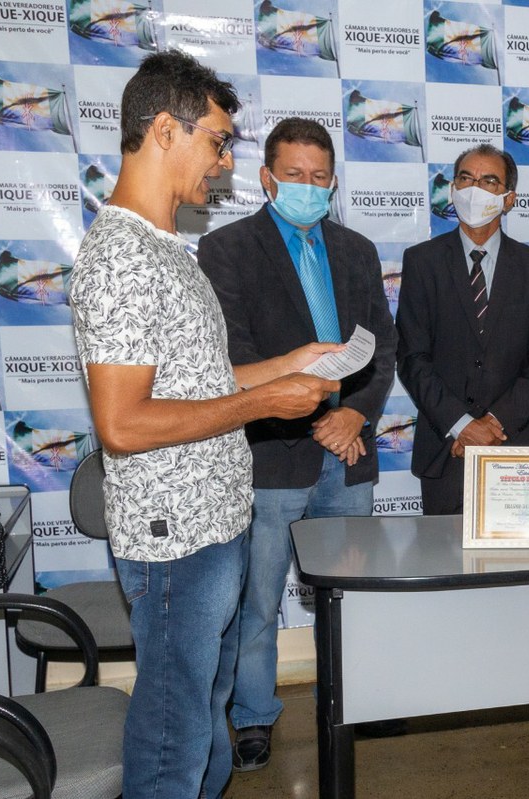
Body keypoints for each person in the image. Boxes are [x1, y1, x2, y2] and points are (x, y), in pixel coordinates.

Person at [69, 51, 339, 799]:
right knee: (172, 737)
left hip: (214, 526)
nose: (224, 164)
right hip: (174, 543)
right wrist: (264, 403)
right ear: (166, 130)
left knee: (203, 719)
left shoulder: (167, 248)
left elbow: (203, 383)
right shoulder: (121, 258)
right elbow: (123, 424)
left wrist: (287, 365)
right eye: (217, 141)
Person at [197, 117, 397, 771]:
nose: (308, 186)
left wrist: (356, 414)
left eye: (319, 177)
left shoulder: (357, 249)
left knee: (354, 594)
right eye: (294, 175)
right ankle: (253, 715)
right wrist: (317, 417)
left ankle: (357, 698)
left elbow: (382, 347)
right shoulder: (226, 249)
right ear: (266, 178)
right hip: (271, 456)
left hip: (349, 452)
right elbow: (234, 355)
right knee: (256, 602)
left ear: (333, 182)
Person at [396, 143, 529, 514]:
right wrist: (462, 425)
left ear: (508, 199)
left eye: (489, 181)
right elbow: (411, 357)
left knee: (513, 552)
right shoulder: (422, 262)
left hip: (512, 445)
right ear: (453, 189)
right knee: (442, 550)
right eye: (466, 179)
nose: (475, 189)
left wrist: (493, 424)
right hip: (445, 447)